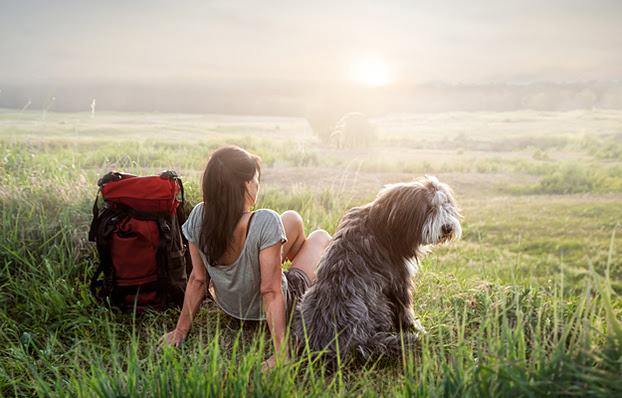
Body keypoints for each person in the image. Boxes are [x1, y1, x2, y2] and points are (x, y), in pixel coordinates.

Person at [159, 145, 331, 371]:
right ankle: (308, 288)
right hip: (269, 308)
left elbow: (197, 280)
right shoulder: (265, 220)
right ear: (246, 184)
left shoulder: (199, 216)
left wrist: (180, 330)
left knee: (291, 219)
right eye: (256, 179)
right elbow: (271, 291)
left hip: (233, 308)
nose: (257, 185)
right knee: (320, 236)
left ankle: (285, 270)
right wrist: (281, 354)